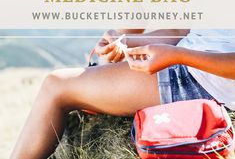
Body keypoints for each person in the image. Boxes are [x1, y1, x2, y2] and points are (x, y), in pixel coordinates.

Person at [10, 28, 235, 159]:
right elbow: (184, 31)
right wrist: (126, 42)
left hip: (203, 81)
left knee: (56, 86)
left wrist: (179, 56)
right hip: (187, 60)